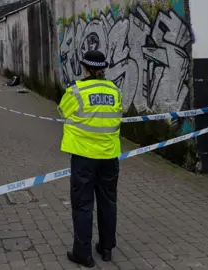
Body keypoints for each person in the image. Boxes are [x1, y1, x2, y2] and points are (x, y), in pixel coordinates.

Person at [57, 50, 122, 268]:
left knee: (83, 204)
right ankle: (106, 248)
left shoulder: (75, 90)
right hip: (110, 156)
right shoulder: (115, 90)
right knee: (108, 202)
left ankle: (82, 254)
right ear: (103, 68)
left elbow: (62, 111)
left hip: (84, 156)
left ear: (85, 67)